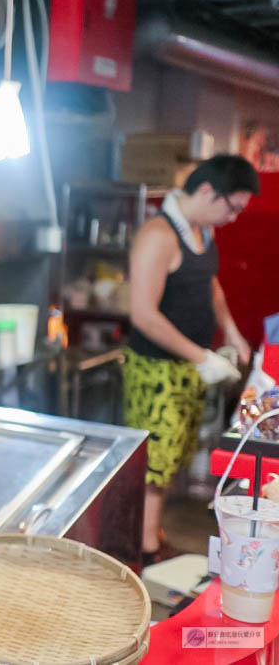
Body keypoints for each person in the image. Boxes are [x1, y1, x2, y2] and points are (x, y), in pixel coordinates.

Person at [126, 155, 260, 566]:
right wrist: (201, 356)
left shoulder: (201, 231)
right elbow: (143, 314)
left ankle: (154, 534)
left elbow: (211, 283)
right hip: (156, 371)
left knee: (174, 459)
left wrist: (232, 330)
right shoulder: (158, 234)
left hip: (185, 368)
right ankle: (144, 552)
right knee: (155, 462)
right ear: (206, 191)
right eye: (232, 207)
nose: (234, 218)